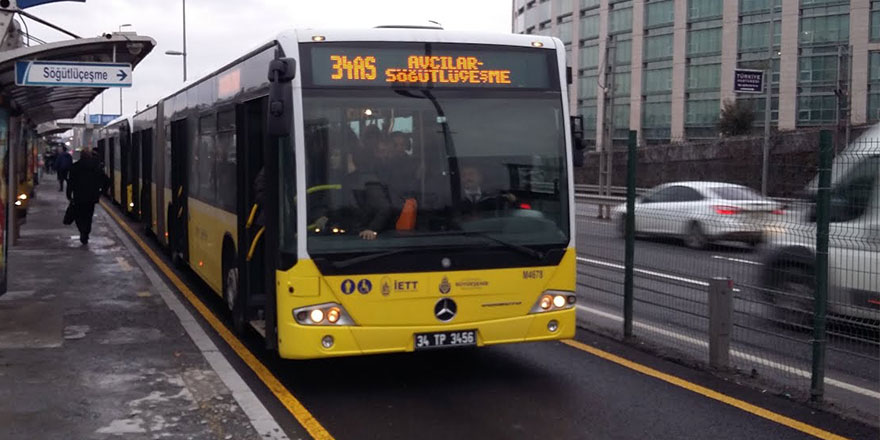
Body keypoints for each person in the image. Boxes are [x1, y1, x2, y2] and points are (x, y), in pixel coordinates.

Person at [66, 149, 110, 245]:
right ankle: (86, 232)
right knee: (88, 216)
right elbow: (106, 180)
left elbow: (71, 182)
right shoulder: (96, 167)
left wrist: (69, 194)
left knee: (79, 216)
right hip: (91, 197)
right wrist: (102, 192)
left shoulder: (75, 167)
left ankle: (82, 230)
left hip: (78, 196)